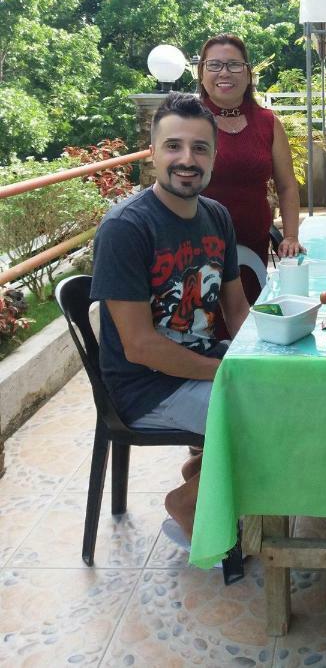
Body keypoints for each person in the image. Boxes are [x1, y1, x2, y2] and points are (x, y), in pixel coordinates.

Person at [91, 91, 250, 543]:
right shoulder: (127, 228)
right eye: (173, 146)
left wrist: (263, 355)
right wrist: (224, 372)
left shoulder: (217, 217)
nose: (187, 159)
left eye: (200, 148)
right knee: (268, 416)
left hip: (198, 361)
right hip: (146, 386)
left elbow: (235, 310)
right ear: (152, 154)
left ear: (215, 158)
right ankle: (188, 502)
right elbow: (141, 346)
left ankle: (203, 468)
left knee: (289, 390)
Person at [196, 33, 302, 304]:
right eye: (214, 65)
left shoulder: (267, 122)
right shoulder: (189, 120)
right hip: (197, 245)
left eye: (233, 65)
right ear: (202, 72)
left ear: (247, 73)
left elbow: (287, 185)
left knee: (248, 319)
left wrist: (290, 236)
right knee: (206, 324)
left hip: (253, 244)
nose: (224, 73)